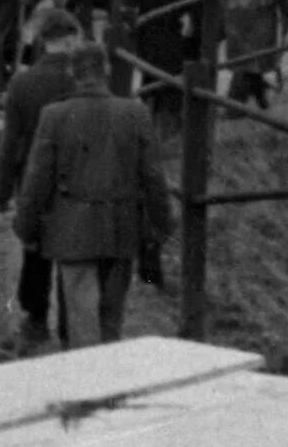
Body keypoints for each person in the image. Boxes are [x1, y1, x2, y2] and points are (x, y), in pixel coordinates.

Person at [10, 44, 175, 347]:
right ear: (106, 73)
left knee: (81, 322)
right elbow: (153, 177)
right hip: (120, 231)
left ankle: (88, 387)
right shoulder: (135, 113)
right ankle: (108, 384)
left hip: (72, 232)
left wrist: (26, 226)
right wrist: (161, 226)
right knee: (111, 320)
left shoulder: (54, 115)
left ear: (73, 74)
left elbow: (37, 180)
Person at [0, 6, 82, 352]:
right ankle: (69, 327)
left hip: (33, 180)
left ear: (43, 42)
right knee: (73, 253)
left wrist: (3, 192)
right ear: (72, 39)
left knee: (35, 251)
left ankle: (36, 320)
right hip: (77, 179)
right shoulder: (83, 81)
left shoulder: (23, 82)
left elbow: (9, 143)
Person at [127, 0, 205, 138]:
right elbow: (195, 21)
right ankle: (168, 134)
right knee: (173, 92)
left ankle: (144, 132)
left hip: (149, 44)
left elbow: (132, 10)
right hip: (178, 47)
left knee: (149, 85)